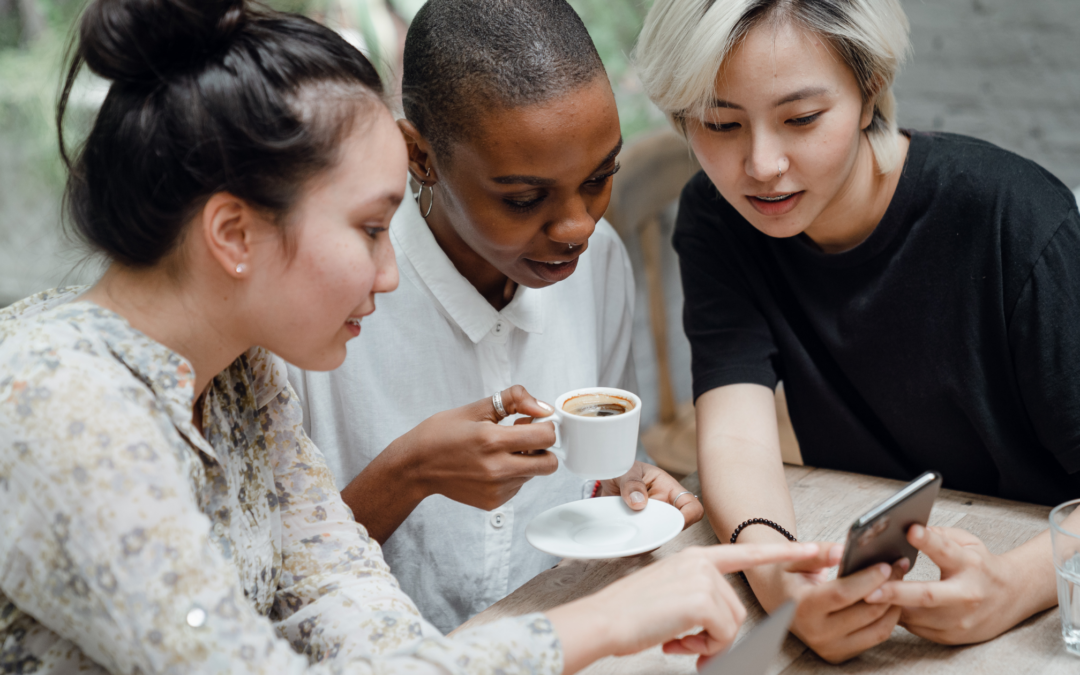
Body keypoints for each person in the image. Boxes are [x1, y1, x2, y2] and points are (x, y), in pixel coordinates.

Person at [0, 0, 821, 672]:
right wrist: (595, 626)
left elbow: (346, 605)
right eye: (370, 229)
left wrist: (618, 621)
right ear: (233, 233)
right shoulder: (63, 402)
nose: (392, 274)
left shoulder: (245, 379)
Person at [633, 0, 1080, 664]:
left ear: (869, 90)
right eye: (719, 123)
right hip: (857, 560)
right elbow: (733, 436)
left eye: (802, 119)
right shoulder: (720, 219)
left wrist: (1014, 587)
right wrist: (782, 581)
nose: (761, 164)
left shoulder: (1013, 219)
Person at [287, 0, 701, 634]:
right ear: (419, 158)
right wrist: (409, 474)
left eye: (600, 177)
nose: (577, 227)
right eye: (524, 198)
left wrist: (626, 485)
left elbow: (598, 484)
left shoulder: (600, 266)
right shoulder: (326, 304)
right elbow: (272, 587)